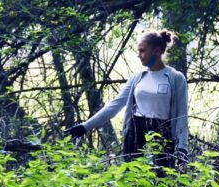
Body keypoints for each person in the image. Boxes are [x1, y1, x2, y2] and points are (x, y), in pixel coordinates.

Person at [66, 29, 188, 174]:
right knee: (131, 175)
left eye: (142, 50)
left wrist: (182, 148)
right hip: (136, 130)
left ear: (156, 51)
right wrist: (85, 127)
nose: (138, 55)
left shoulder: (175, 78)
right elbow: (115, 105)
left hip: (164, 132)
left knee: (163, 178)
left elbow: (182, 115)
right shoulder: (137, 77)